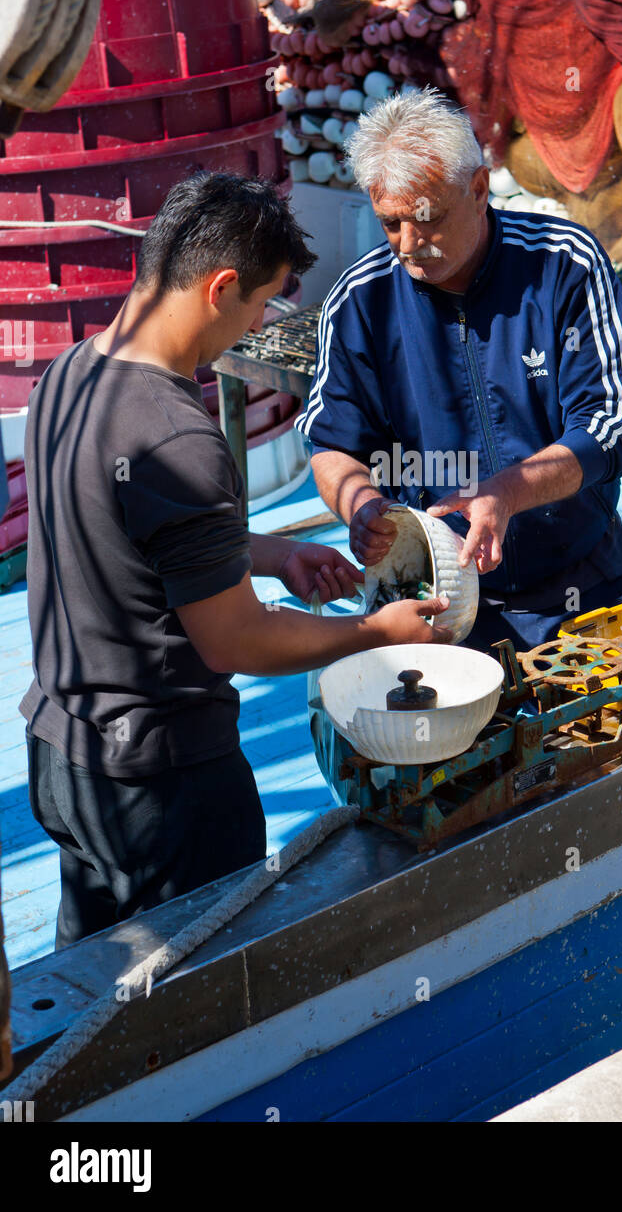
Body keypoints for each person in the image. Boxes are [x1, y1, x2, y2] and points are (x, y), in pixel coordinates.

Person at [21, 172, 449, 949]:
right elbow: (236, 642)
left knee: (89, 992)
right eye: (260, 303)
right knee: (192, 1002)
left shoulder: (71, 374)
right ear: (221, 287)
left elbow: (117, 526)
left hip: (62, 752)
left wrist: (266, 552)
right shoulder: (178, 436)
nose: (257, 323)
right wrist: (377, 633)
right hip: (160, 786)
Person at [295, 87, 622, 662]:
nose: (410, 246)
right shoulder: (361, 302)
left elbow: (612, 423)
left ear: (480, 188)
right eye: (390, 224)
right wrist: (360, 506)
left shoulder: (565, 266)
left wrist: (507, 492)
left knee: (600, 746)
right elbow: (334, 442)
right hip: (430, 604)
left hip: (580, 587)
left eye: (428, 219)